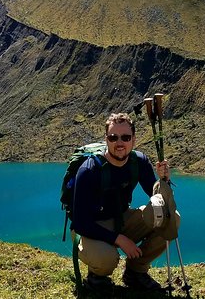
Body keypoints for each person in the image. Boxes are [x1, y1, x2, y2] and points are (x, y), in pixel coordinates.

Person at [71, 112, 175, 291]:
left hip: (121, 218)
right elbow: (81, 223)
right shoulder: (89, 170)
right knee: (107, 258)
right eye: (113, 137)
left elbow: (161, 201)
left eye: (126, 137)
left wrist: (163, 181)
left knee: (170, 219)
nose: (120, 143)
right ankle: (97, 277)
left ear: (133, 140)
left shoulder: (139, 162)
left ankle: (136, 272)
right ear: (106, 139)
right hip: (91, 227)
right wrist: (119, 239)